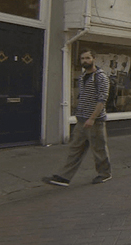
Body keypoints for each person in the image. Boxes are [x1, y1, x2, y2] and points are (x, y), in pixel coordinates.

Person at [43, 49, 112, 186]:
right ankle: (64, 177)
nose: (85, 61)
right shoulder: (81, 77)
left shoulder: (100, 77)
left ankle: (104, 174)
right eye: (82, 59)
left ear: (93, 59)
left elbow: (102, 99)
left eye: (87, 58)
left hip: (95, 121)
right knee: (75, 149)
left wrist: (92, 118)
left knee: (98, 150)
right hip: (81, 119)